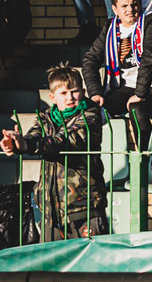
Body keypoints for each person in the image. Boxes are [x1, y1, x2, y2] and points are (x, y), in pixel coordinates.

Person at [0, 67, 108, 240]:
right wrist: (14, 143)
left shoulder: (90, 115)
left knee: (89, 265)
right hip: (51, 209)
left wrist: (27, 144)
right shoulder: (46, 117)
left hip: (82, 205)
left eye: (74, 91)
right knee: (52, 266)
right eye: (64, 93)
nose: (70, 97)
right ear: (52, 98)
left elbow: (64, 141)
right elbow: (32, 136)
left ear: (83, 91)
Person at [81, 0, 152, 144]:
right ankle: (90, 162)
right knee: (92, 113)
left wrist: (139, 94)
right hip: (123, 87)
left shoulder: (151, 22)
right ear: (114, 9)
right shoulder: (110, 28)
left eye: (134, 4)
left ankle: (144, 159)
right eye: (124, 6)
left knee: (137, 109)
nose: (130, 10)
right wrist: (95, 93)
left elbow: (150, 59)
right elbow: (90, 60)